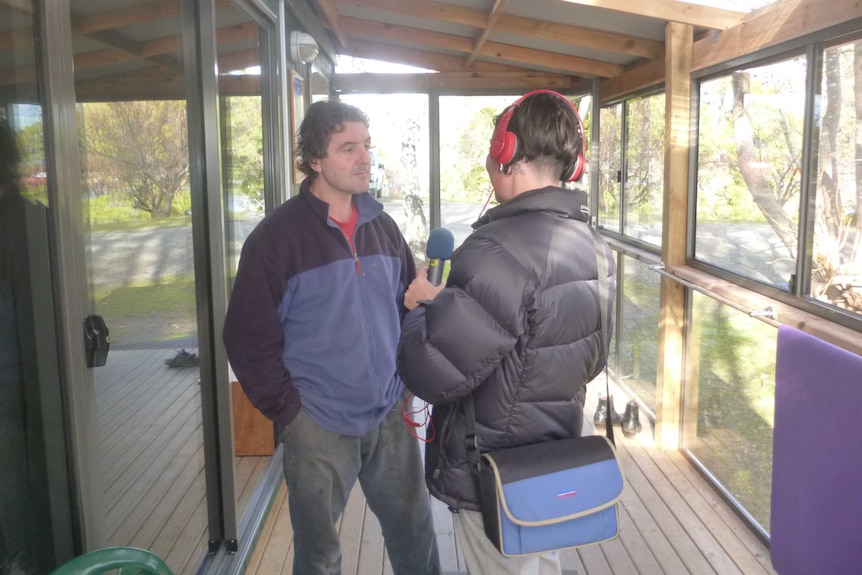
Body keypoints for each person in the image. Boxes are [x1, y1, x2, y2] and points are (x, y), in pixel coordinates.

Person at [397, 90, 616, 575]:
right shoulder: (597, 248)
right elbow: (593, 358)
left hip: (492, 477)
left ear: (506, 152)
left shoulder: (494, 250)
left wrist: (420, 308)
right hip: (555, 463)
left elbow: (431, 369)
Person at [223, 99, 440, 575]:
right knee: (319, 558)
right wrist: (291, 413)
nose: (364, 157)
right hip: (318, 425)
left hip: (389, 415)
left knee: (417, 537)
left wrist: (417, 305)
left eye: (366, 145)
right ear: (315, 160)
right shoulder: (276, 239)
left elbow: (402, 306)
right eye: (348, 147)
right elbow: (245, 339)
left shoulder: (383, 228)